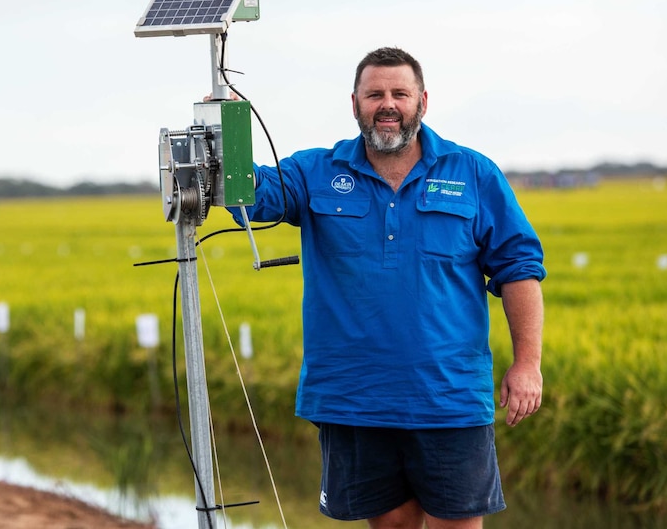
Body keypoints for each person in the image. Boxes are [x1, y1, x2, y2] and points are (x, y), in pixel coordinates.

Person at [229, 47, 545, 529]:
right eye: (375, 93)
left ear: (422, 100)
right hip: (355, 396)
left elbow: (519, 267)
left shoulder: (472, 173)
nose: (388, 103)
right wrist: (229, 125)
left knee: (457, 525)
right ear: (354, 103)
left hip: (449, 397)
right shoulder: (316, 171)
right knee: (391, 525)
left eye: (400, 92)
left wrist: (527, 364)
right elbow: (249, 197)